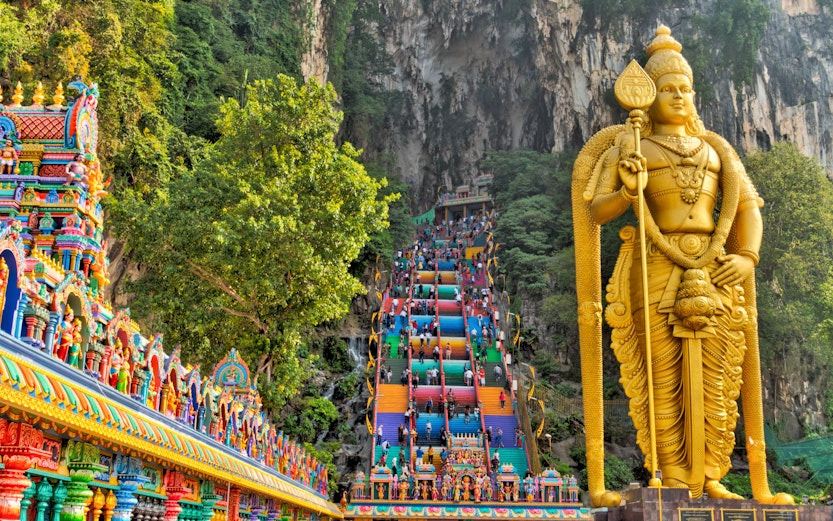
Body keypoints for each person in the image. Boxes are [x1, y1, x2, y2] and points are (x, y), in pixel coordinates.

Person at [574, 25, 792, 506]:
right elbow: (595, 211)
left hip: (715, 265)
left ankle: (713, 474)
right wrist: (628, 189)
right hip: (654, 261)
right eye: (667, 89)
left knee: (718, 370)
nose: (677, 96)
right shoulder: (631, 147)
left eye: (684, 89)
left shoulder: (716, 148)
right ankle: (671, 476)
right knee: (663, 374)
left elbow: (749, 208)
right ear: (648, 97)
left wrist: (747, 256)